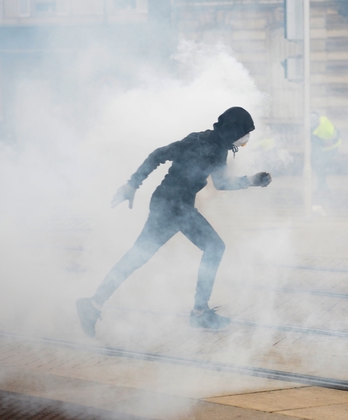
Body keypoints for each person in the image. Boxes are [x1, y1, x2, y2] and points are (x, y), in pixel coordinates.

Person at [76, 107, 272, 336]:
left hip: (168, 204)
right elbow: (163, 157)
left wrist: (250, 180)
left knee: (137, 256)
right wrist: (132, 184)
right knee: (214, 246)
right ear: (233, 131)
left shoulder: (207, 142)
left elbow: (212, 180)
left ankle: (92, 304)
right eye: (243, 137)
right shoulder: (207, 145)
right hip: (174, 207)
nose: (243, 143)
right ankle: (199, 313)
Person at [310, 112, 341, 192]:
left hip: (329, 150)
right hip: (334, 144)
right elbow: (337, 132)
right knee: (319, 167)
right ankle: (322, 186)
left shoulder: (315, 132)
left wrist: (331, 142)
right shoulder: (324, 119)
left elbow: (318, 145)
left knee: (320, 167)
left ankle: (322, 188)